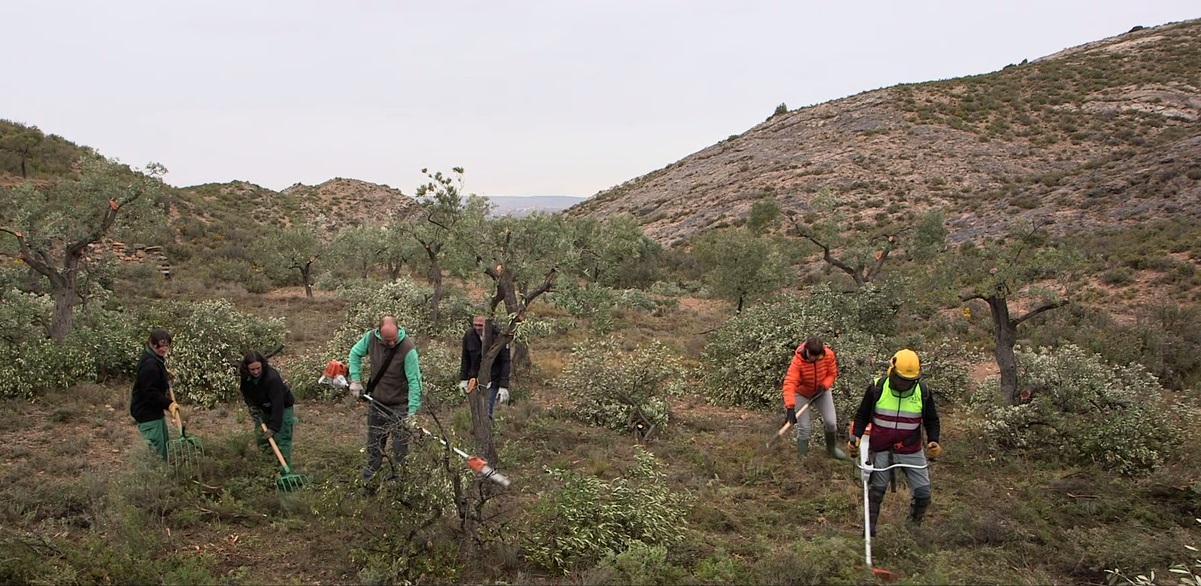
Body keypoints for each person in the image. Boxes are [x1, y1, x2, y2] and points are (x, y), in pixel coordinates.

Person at [848, 349, 942, 536]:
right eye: (900, 379)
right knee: (875, 493)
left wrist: (933, 441)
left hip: (911, 450)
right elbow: (861, 416)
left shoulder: (922, 392)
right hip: (881, 449)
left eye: (909, 381)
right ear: (891, 371)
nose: (904, 384)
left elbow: (932, 420)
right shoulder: (877, 388)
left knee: (923, 495)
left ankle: (911, 530)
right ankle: (869, 533)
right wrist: (857, 437)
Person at [348, 315, 423, 484]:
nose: (391, 344)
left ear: (399, 331)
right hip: (377, 403)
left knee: (400, 449)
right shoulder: (370, 338)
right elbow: (355, 353)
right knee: (374, 446)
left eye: (393, 340)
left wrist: (412, 412)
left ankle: (399, 483)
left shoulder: (408, 349)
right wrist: (355, 380)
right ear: (379, 334)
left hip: (400, 406)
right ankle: (369, 482)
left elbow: (415, 382)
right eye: (387, 340)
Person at [782, 336, 847, 460]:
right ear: (806, 350)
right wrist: (790, 407)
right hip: (802, 393)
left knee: (831, 422)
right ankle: (802, 457)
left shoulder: (828, 355)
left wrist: (824, 386)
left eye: (816, 356)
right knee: (804, 427)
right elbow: (790, 382)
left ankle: (831, 449)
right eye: (811, 355)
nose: (812, 358)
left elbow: (832, 374)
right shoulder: (798, 361)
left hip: (821, 391)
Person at [239, 351, 297, 465]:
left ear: (262, 365)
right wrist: (252, 406)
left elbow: (278, 403)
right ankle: (267, 470)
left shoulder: (272, 378)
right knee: (262, 440)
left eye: (258, 368)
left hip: (282, 408)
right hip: (263, 409)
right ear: (247, 368)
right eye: (252, 369)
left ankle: (284, 472)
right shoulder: (245, 376)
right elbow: (246, 393)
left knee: (281, 440)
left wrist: (274, 427)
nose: (256, 372)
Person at [130, 329, 178, 460]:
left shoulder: (154, 358)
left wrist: (163, 375)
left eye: (166, 345)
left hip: (154, 412)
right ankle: (156, 475)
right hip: (147, 414)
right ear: (151, 343)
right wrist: (169, 404)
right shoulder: (150, 365)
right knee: (156, 450)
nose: (164, 349)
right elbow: (150, 393)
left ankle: (163, 470)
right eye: (160, 345)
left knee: (164, 444)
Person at [459, 315, 511, 418]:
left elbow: (505, 362)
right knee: (475, 410)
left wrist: (503, 386)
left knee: (486, 410)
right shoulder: (469, 335)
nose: (478, 328)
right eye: (475, 325)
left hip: (493, 378)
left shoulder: (499, 336)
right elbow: (465, 358)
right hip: (475, 378)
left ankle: (488, 431)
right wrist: (463, 379)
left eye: (480, 325)